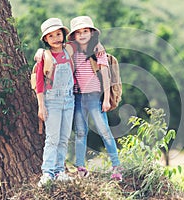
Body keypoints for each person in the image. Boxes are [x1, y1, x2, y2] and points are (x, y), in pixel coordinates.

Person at [68, 16, 122, 181]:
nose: (82, 35)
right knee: (80, 132)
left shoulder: (97, 49)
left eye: (85, 31)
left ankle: (116, 167)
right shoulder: (72, 50)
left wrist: (106, 99)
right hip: (78, 97)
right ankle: (80, 168)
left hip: (94, 97)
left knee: (104, 131)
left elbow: (105, 75)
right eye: (78, 32)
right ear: (74, 36)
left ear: (91, 33)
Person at [36, 18, 75, 187]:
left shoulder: (69, 51)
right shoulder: (45, 56)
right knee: (52, 138)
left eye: (58, 34)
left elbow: (88, 44)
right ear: (46, 40)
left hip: (69, 100)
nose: (56, 38)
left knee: (64, 138)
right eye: (51, 36)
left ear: (64, 35)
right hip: (52, 101)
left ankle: (60, 171)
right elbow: (39, 83)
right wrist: (41, 106)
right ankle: (47, 172)